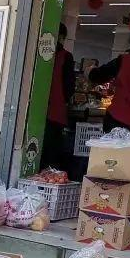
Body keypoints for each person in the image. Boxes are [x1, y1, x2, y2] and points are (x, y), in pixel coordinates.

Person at [41, 23, 76, 169]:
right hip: (55, 112)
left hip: (38, 111)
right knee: (51, 154)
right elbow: (69, 86)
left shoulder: (37, 53)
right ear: (61, 37)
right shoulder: (65, 56)